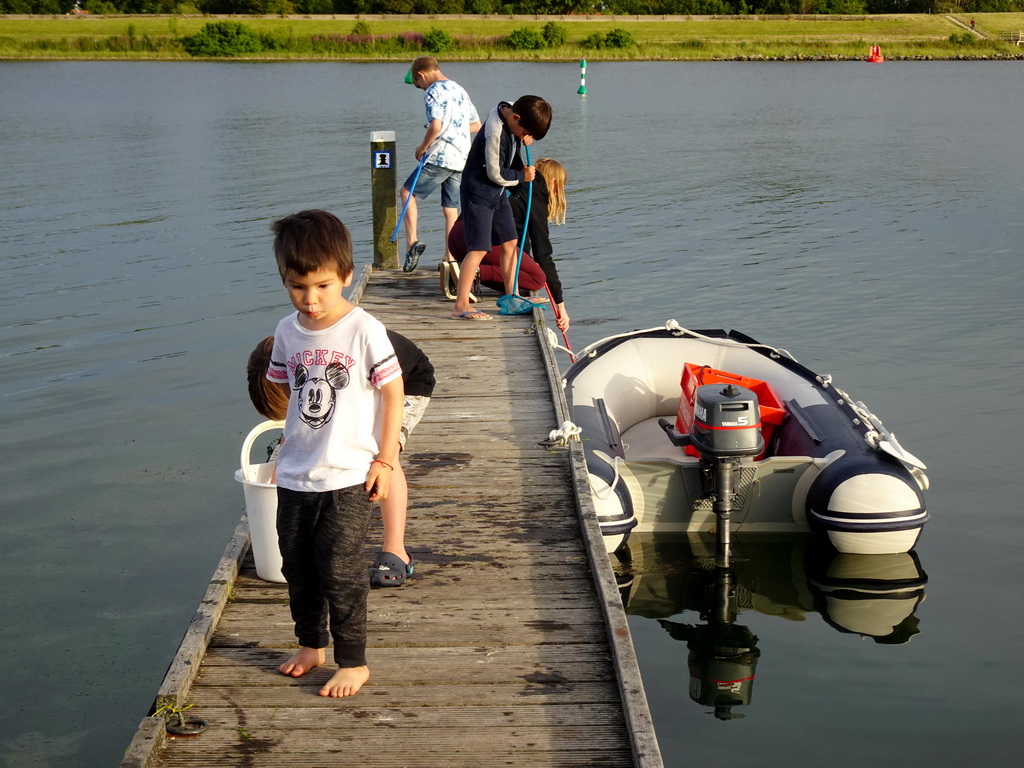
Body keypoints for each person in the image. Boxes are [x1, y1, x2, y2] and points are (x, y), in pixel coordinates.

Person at [265, 209, 404, 698]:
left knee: (340, 568)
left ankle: (353, 660)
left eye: (323, 286)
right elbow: (285, 392)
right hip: (295, 475)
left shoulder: (364, 328)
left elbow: (393, 393)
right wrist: (282, 447)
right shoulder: (287, 331)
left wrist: (384, 461)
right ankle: (310, 644)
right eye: (297, 286)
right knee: (296, 565)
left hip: (348, 475)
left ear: (346, 275)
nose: (311, 299)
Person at [247, 331, 435, 588]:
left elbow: (383, 399)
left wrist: (384, 458)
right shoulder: (292, 353)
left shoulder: (346, 346)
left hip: (403, 381)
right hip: (353, 386)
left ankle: (396, 550)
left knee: (382, 450)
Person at [452, 95, 552, 320]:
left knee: (510, 241)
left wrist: (523, 138)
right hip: (478, 192)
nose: (523, 136)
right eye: (524, 130)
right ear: (515, 118)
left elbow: (518, 126)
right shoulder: (494, 132)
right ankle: (461, 304)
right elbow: (494, 173)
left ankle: (512, 296)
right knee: (478, 248)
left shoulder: (512, 112)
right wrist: (521, 175)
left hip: (496, 194)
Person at [447, 157, 570, 331]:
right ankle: (475, 273)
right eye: (562, 186)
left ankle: (468, 270)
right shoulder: (535, 195)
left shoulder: (516, 183)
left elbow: (521, 245)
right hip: (481, 241)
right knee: (537, 279)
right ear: (553, 182)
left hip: (458, 237)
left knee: (520, 270)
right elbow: (543, 254)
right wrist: (560, 307)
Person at [400, 56, 481, 272]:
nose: (421, 88)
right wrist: (455, 130)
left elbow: (435, 126)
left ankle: (411, 243)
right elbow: (476, 124)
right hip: (462, 157)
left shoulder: (432, 92)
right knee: (450, 208)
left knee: (407, 193)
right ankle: (450, 257)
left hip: (440, 156)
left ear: (421, 75)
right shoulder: (460, 90)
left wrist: (423, 146)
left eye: (419, 85)